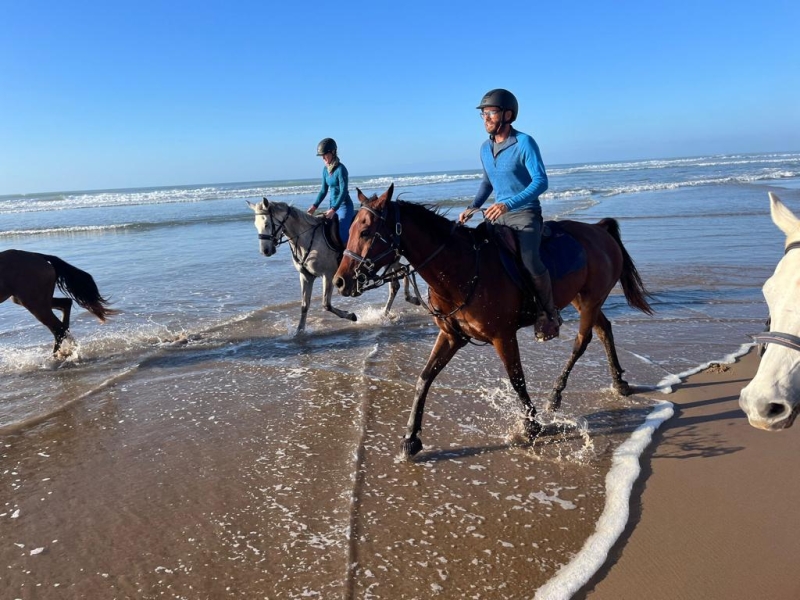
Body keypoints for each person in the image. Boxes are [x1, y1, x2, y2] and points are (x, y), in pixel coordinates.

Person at [458, 89, 561, 341]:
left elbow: (540, 181)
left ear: (507, 114)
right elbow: (487, 182)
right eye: (483, 114)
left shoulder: (524, 143)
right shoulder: (485, 148)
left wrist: (508, 204)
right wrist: (473, 206)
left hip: (525, 213)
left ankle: (549, 314)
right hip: (495, 215)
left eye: (490, 113)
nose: (485, 118)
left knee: (529, 260)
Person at [307, 137, 355, 245]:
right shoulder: (325, 170)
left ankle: (348, 258)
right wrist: (314, 206)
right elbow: (323, 190)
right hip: (332, 206)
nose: (323, 158)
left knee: (342, 233)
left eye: (325, 155)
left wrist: (334, 209)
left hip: (343, 206)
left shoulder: (341, 169)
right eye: (321, 156)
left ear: (333, 152)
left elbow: (343, 192)